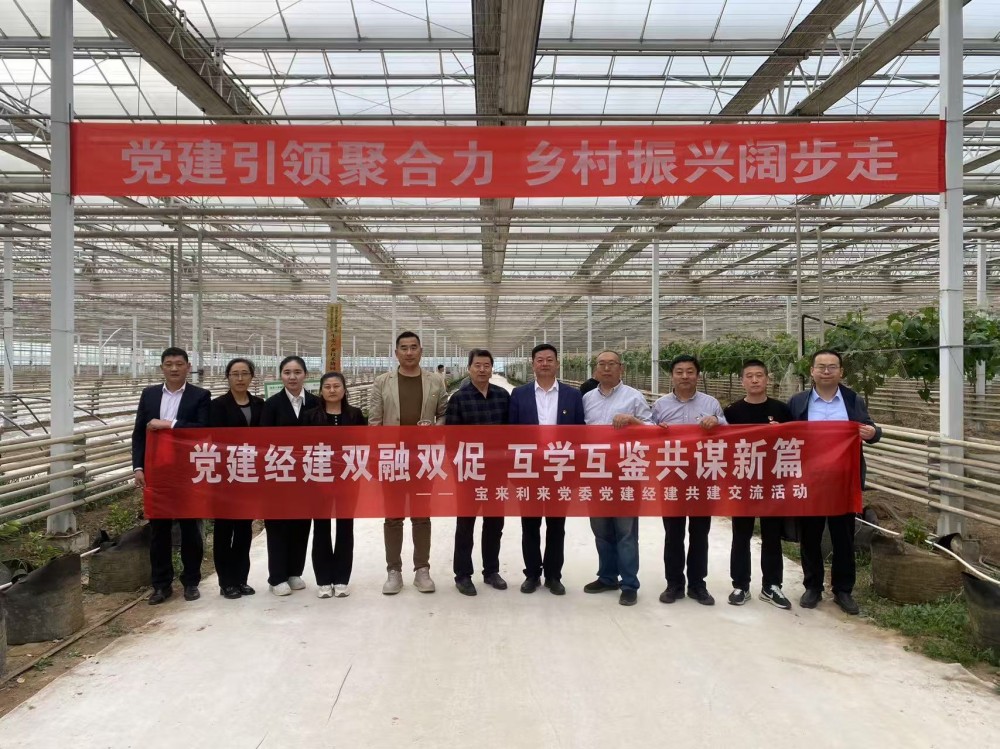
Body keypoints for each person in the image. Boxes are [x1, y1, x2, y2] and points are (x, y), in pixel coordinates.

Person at [787, 349, 882, 615]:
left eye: (832, 367)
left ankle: (843, 589)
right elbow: (786, 433)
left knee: (843, 537)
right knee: (811, 536)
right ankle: (813, 586)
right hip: (810, 480)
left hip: (844, 481)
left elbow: (872, 429)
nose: (826, 371)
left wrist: (872, 432)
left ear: (841, 371)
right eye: (821, 367)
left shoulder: (852, 400)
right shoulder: (798, 402)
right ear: (812, 372)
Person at [369, 331, 448, 595]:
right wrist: (376, 455)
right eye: (404, 348)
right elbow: (374, 421)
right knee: (393, 516)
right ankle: (394, 571)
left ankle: (422, 569)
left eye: (414, 347)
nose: (409, 352)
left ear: (421, 351)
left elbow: (444, 414)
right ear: (396, 353)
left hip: (423, 459)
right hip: (392, 457)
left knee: (421, 515)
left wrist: (434, 428)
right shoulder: (382, 382)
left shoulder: (435, 381)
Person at [131, 347, 211, 605]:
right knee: (159, 530)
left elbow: (203, 429)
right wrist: (138, 467)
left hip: (187, 472)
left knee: (190, 528)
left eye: (179, 363)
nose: (174, 368)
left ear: (188, 367)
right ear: (162, 367)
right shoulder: (150, 395)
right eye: (169, 364)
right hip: (157, 472)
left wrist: (169, 424)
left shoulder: (200, 396)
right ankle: (161, 585)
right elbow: (139, 433)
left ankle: (191, 581)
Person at [650, 354, 727, 606]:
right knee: (673, 533)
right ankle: (674, 584)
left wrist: (717, 421)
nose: (685, 376)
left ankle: (697, 584)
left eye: (690, 371)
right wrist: (657, 432)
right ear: (672, 376)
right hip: (671, 476)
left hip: (702, 476)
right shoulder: (660, 405)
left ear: (698, 375)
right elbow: (647, 435)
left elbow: (728, 433)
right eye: (679, 372)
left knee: (699, 533)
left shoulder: (710, 403)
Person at [508, 343, 585, 595]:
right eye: (539, 360)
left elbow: (580, 435)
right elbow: (510, 434)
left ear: (557, 364)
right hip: (529, 469)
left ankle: (553, 575)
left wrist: (575, 470)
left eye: (549, 359)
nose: (544, 363)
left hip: (560, 469)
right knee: (530, 525)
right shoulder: (519, 394)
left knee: (556, 526)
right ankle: (532, 574)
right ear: (532, 364)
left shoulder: (572, 396)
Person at [582, 350, 652, 606]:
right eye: (602, 364)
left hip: (626, 473)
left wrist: (632, 420)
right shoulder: (587, 398)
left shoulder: (634, 397)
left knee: (626, 531)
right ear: (595, 369)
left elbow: (652, 430)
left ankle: (629, 583)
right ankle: (607, 576)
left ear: (621, 368)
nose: (606, 368)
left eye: (612, 364)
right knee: (601, 530)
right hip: (596, 473)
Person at [722, 359, 793, 610]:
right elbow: (723, 447)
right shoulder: (732, 412)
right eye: (749, 376)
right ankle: (740, 585)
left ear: (767, 379)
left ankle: (771, 585)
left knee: (772, 534)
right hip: (743, 481)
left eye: (759, 375)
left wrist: (781, 432)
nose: (754, 380)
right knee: (741, 534)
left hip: (772, 481)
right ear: (742, 381)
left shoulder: (781, 410)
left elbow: (795, 443)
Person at [445, 349, 511, 596]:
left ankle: (491, 570)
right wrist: (459, 472)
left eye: (486, 365)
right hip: (469, 473)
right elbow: (451, 441)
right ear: (469, 369)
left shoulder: (502, 396)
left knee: (494, 523)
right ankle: (463, 574)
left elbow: (512, 435)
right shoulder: (459, 399)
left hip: (497, 472)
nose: (482, 370)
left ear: (492, 368)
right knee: (465, 525)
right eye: (477, 365)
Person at [302, 371, 367, 599]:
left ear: (344, 390)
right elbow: (302, 448)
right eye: (327, 386)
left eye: (336, 386)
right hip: (318, 480)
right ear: (320, 391)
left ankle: (341, 579)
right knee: (321, 528)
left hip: (348, 479)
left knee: (345, 527)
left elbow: (363, 445)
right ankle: (323, 580)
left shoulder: (355, 415)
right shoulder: (310, 417)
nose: (332, 390)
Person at [260, 355, 320, 596]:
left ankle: (295, 571)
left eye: (297, 372)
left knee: (301, 523)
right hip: (279, 474)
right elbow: (263, 442)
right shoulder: (271, 405)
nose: (292, 377)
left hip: (307, 475)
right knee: (277, 525)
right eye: (287, 372)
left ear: (305, 375)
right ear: (281, 376)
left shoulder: (316, 403)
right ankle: (277, 577)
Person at [208, 357, 264, 600]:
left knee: (244, 529)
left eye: (244, 373)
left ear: (252, 376)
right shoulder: (217, 406)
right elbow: (215, 440)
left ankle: (241, 578)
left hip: (250, 476)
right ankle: (226, 581)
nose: (240, 378)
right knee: (224, 529)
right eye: (235, 374)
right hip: (226, 476)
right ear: (228, 377)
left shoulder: (260, 405)